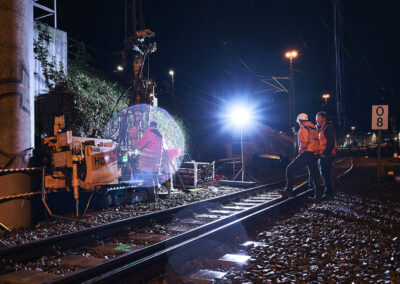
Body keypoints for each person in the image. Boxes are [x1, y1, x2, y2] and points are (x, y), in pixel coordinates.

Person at [280, 113, 322, 200]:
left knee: (290, 168)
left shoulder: (303, 128)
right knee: (315, 175)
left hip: (306, 153)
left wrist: (301, 151)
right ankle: (318, 196)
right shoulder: (314, 128)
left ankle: (289, 190)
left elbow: (304, 142)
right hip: (315, 154)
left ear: (299, 121)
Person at [135, 121, 163, 202]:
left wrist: (139, 137)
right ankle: (156, 197)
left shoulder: (148, 133)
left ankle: (151, 198)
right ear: (156, 126)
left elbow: (139, 144)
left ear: (150, 125)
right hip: (157, 162)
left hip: (148, 160)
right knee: (155, 178)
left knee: (148, 180)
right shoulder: (160, 135)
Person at [316, 111, 337, 199]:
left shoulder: (328, 128)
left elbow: (330, 142)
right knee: (325, 174)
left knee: (326, 174)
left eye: (318, 118)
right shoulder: (322, 128)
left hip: (327, 155)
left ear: (323, 118)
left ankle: (329, 193)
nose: (316, 119)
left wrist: (325, 153)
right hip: (324, 155)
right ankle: (329, 192)